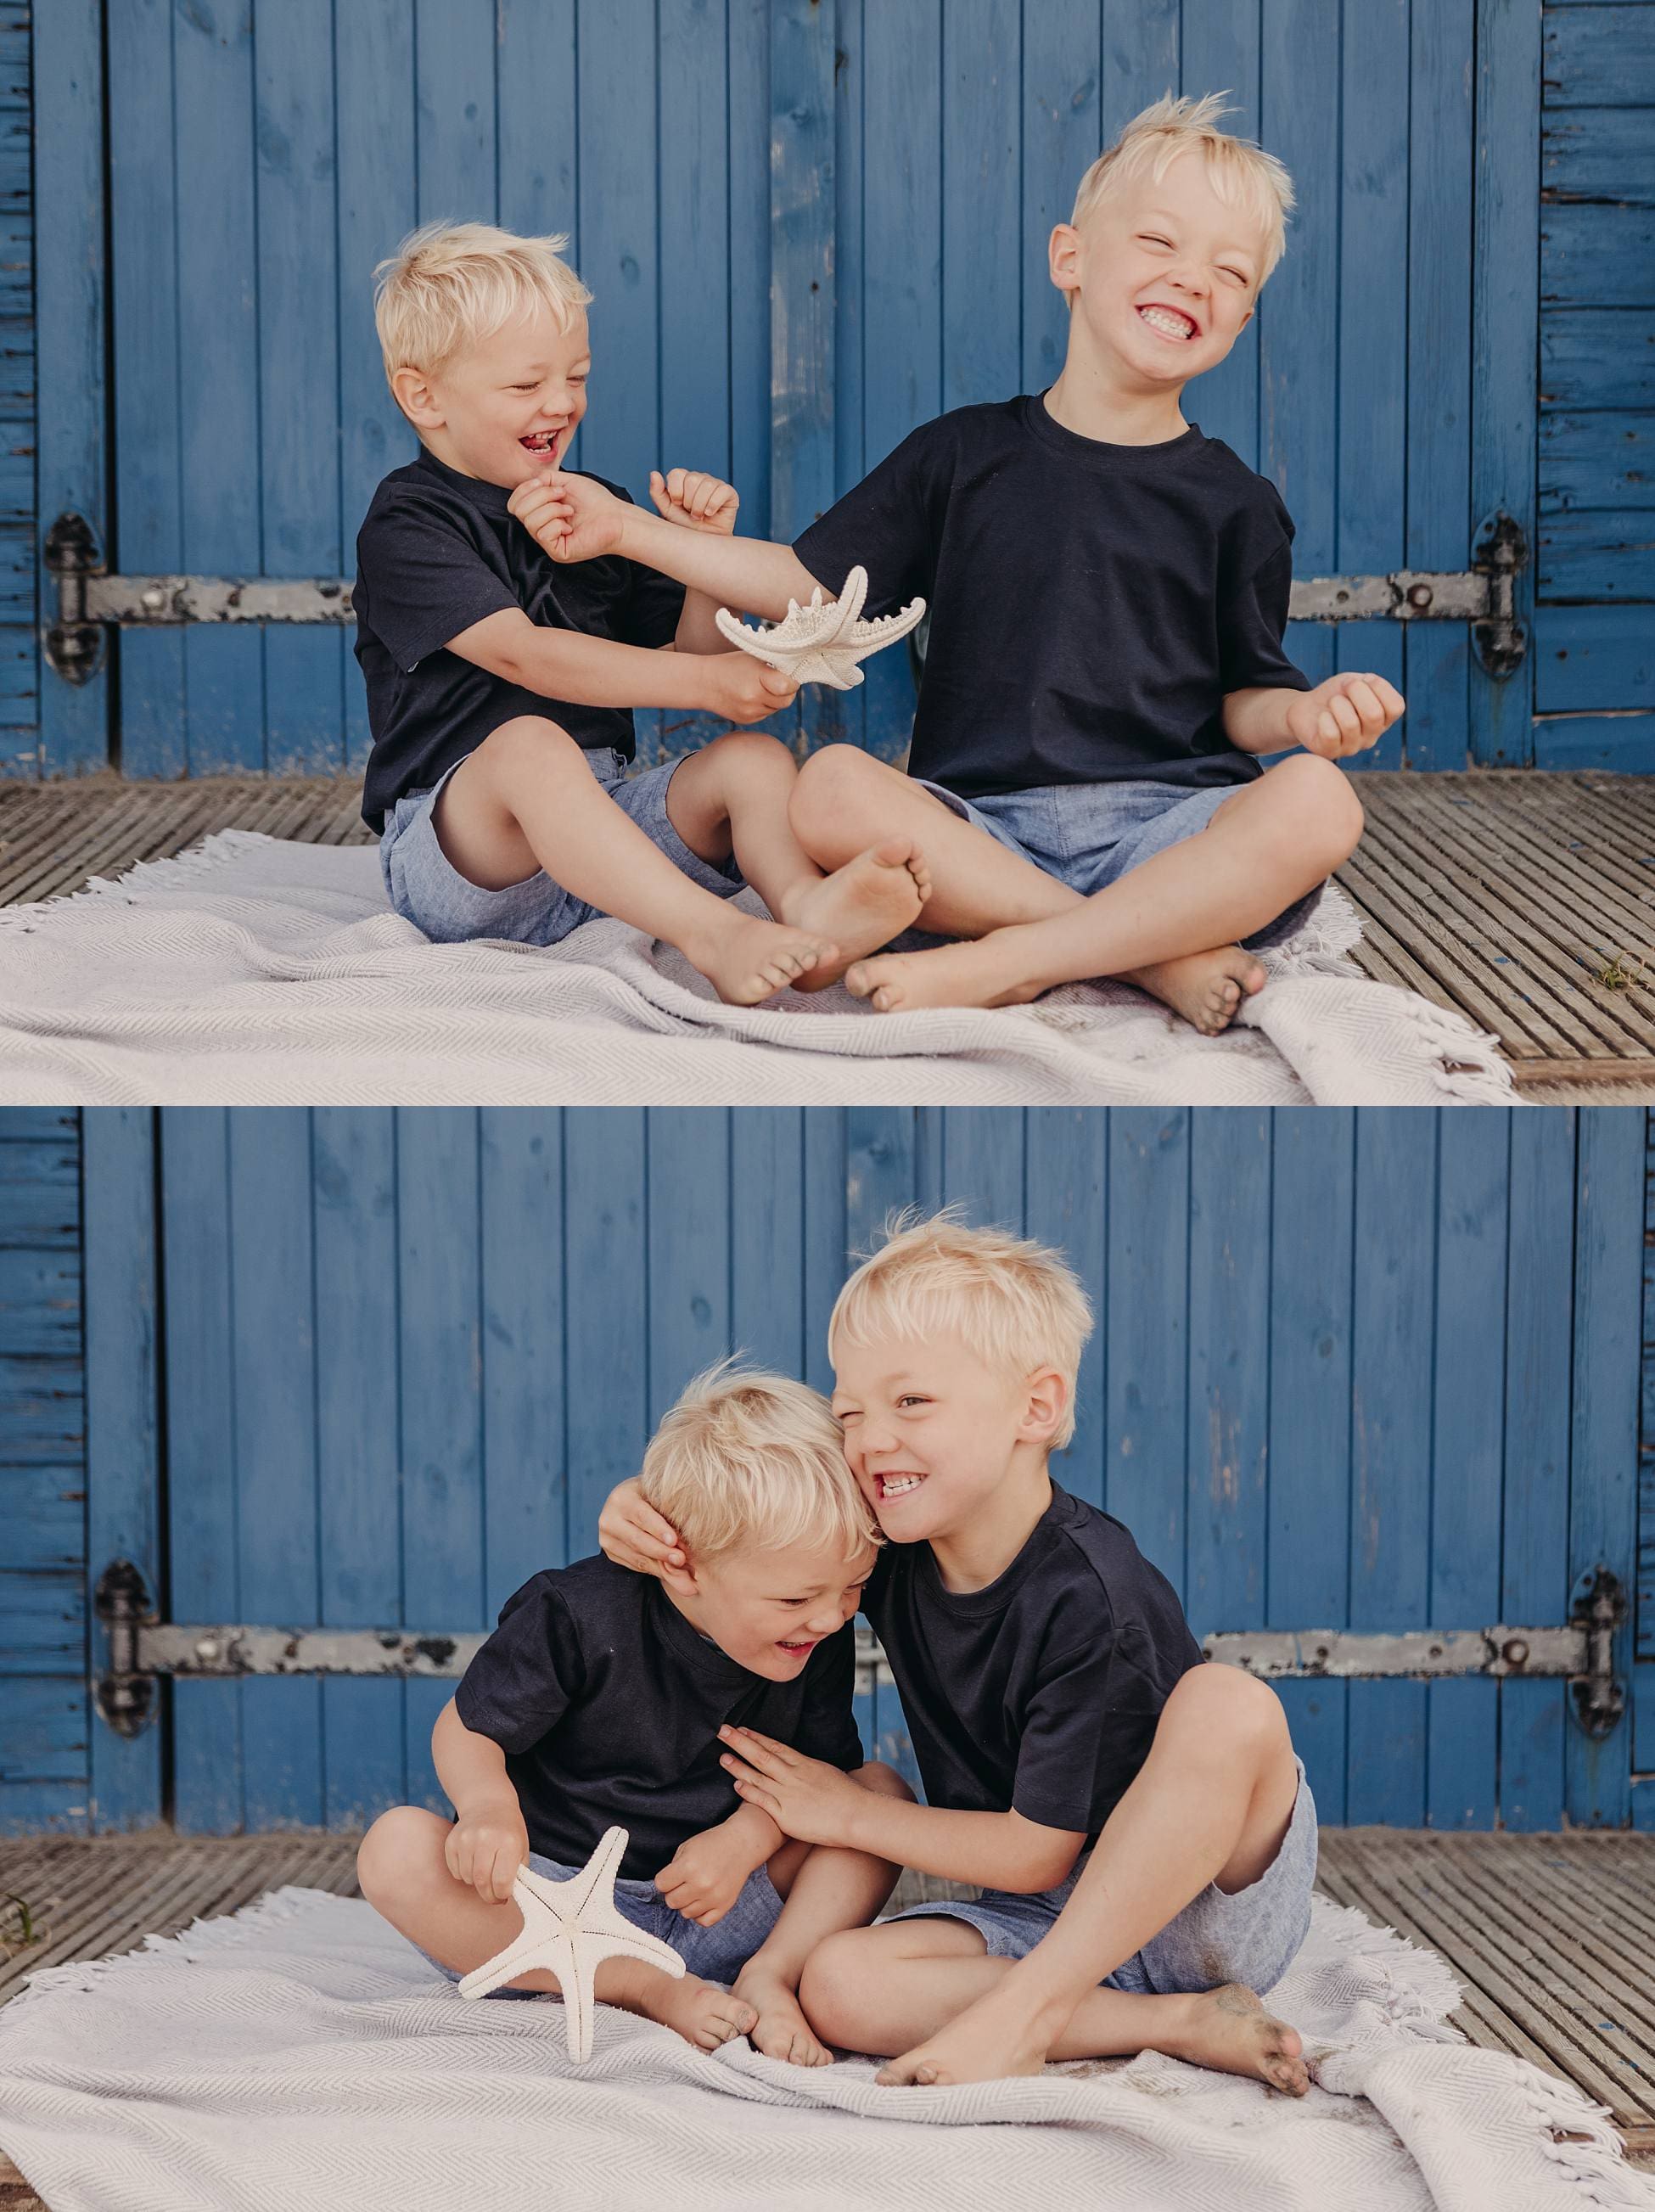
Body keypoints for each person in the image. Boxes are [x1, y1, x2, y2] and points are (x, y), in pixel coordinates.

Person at [513, 95, 1403, 1034]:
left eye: (1228, 271)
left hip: (1166, 829)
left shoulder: (1237, 501)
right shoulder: (964, 455)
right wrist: (630, 534)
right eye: (1159, 243)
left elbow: (1243, 697)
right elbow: (814, 588)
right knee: (829, 789)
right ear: (1070, 257)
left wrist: (1304, 713)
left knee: (1316, 800)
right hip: (980, 829)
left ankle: (1016, 957)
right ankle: (1149, 957)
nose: (1191, 281)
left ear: (1244, 316)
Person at [598, 1216, 1316, 2089]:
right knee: (837, 1982)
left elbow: (1038, 1850)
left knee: (1229, 1703)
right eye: (850, 1412)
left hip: (1196, 1904)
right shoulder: (892, 1541)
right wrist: (650, 1501)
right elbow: (759, 1490)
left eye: (911, 1402)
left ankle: (1023, 2015)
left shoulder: (1090, 1592)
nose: (868, 1439)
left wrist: (850, 1812)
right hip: (1039, 1916)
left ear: (1036, 1407)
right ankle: (1176, 2021)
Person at [353, 222, 930, 1006]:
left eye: (577, 377)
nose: (561, 402)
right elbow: (527, 657)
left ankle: (808, 913)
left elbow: (684, 653)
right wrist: (711, 686)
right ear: (423, 395)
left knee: (753, 763)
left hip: (606, 844)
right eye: (526, 386)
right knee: (529, 745)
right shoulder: (410, 521)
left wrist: (692, 559)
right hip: (465, 858)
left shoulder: (598, 508)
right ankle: (714, 934)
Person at [356, 1365, 910, 2063]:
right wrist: (489, 1807)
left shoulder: (815, 1634)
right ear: (683, 1565)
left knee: (881, 1797)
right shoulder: (577, 1613)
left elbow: (819, 1778)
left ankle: (771, 1973)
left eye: (854, 1585)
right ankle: (648, 1991)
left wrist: (746, 1841)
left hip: (711, 1905)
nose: (833, 1617)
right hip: (546, 1914)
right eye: (796, 1600)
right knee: (396, 1846)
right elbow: (467, 1727)